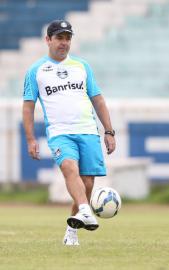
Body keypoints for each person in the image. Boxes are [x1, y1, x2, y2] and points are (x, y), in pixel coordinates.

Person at [22, 19, 116, 246]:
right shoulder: (36, 70)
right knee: (68, 167)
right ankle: (85, 209)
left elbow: (98, 99)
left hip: (88, 131)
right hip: (59, 133)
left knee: (88, 183)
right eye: (59, 38)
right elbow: (28, 106)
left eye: (67, 38)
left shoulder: (82, 66)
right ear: (48, 40)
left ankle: (71, 231)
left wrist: (109, 131)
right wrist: (31, 138)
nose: (64, 43)